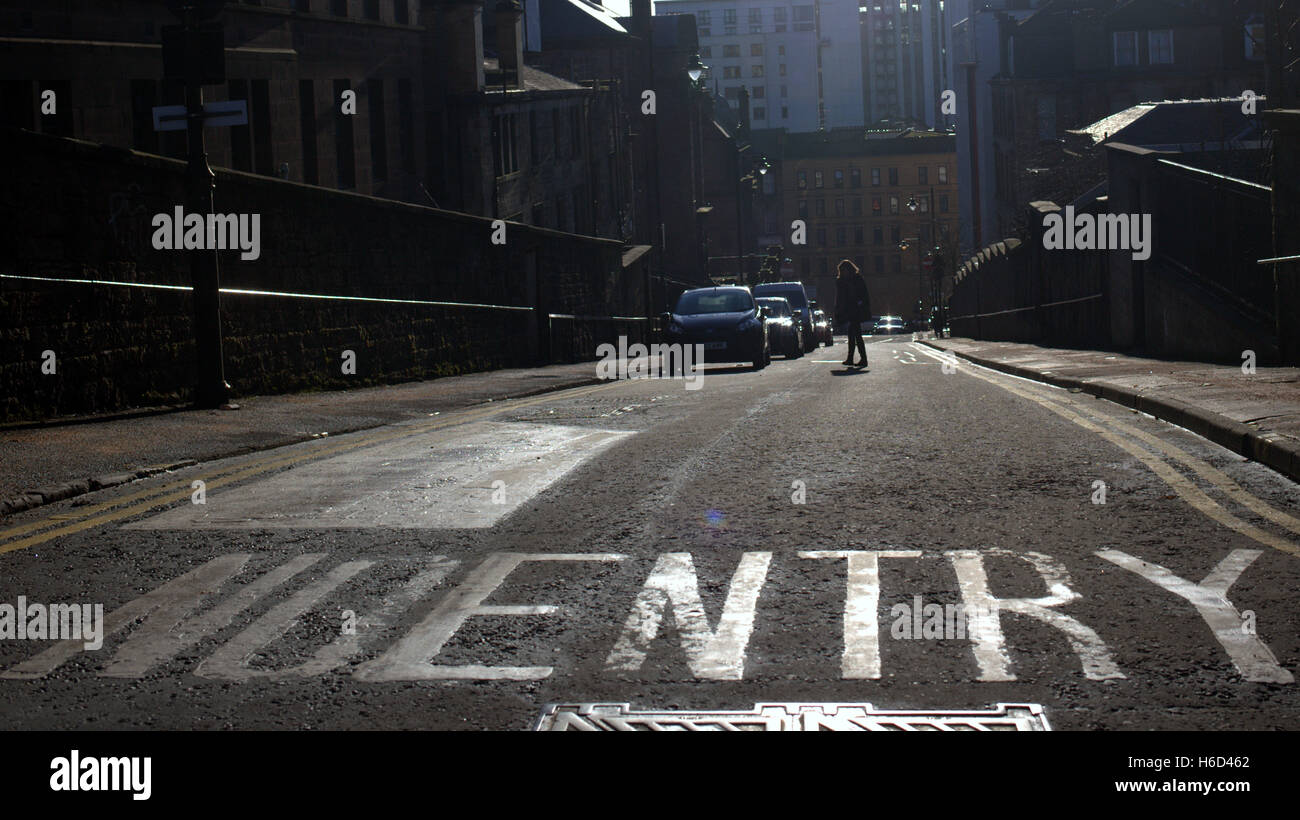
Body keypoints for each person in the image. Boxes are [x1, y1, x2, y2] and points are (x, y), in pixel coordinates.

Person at [834, 259, 870, 367]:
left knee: (856, 334)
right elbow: (840, 297)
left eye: (844, 270)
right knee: (853, 334)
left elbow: (863, 294)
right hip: (850, 310)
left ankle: (861, 359)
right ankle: (856, 358)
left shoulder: (856, 279)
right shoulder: (843, 281)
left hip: (856, 310)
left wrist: (860, 303)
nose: (843, 272)